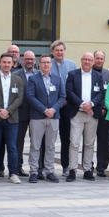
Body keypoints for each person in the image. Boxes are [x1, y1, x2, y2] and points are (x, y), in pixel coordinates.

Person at [26, 54, 66, 184]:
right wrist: (44, 110)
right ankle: (33, 171)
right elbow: (30, 97)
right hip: (38, 117)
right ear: (39, 64)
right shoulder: (33, 79)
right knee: (35, 146)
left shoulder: (58, 79)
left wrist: (53, 109)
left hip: (54, 117)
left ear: (51, 64)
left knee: (50, 146)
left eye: (48, 62)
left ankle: (49, 171)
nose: (46, 65)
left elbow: (62, 96)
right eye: (43, 62)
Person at [0, 53, 25, 184]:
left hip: (12, 118)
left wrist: (8, 110)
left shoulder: (18, 80)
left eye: (9, 62)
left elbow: (19, 97)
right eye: (4, 62)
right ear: (0, 63)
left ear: (13, 64)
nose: (6, 65)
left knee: (12, 147)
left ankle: (13, 173)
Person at [65, 52, 105, 182]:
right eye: (85, 59)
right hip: (77, 113)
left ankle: (87, 170)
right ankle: (72, 170)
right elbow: (69, 91)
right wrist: (82, 104)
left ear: (93, 62)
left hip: (92, 114)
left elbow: (101, 93)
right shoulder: (72, 74)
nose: (87, 62)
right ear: (81, 60)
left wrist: (91, 104)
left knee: (89, 143)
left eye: (89, 60)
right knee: (74, 143)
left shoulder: (99, 76)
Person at [50, 40, 77, 175]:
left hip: (68, 106)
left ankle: (66, 166)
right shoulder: (47, 64)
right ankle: (45, 167)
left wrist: (66, 100)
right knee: (49, 138)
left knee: (66, 137)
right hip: (52, 107)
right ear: (52, 52)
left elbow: (75, 85)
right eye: (57, 50)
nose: (59, 52)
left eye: (61, 50)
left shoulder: (72, 65)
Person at [15, 51, 37, 177]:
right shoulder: (16, 75)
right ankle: (17, 167)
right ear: (23, 60)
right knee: (18, 141)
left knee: (36, 142)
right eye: (27, 59)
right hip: (20, 112)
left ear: (35, 61)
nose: (29, 61)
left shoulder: (39, 74)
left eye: (32, 59)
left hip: (36, 113)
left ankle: (37, 168)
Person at [92, 51, 109, 177]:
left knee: (103, 141)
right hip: (90, 111)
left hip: (105, 112)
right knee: (88, 141)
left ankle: (102, 166)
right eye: (97, 58)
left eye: (101, 58)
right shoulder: (88, 73)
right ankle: (88, 165)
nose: (99, 60)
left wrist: (105, 108)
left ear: (104, 60)